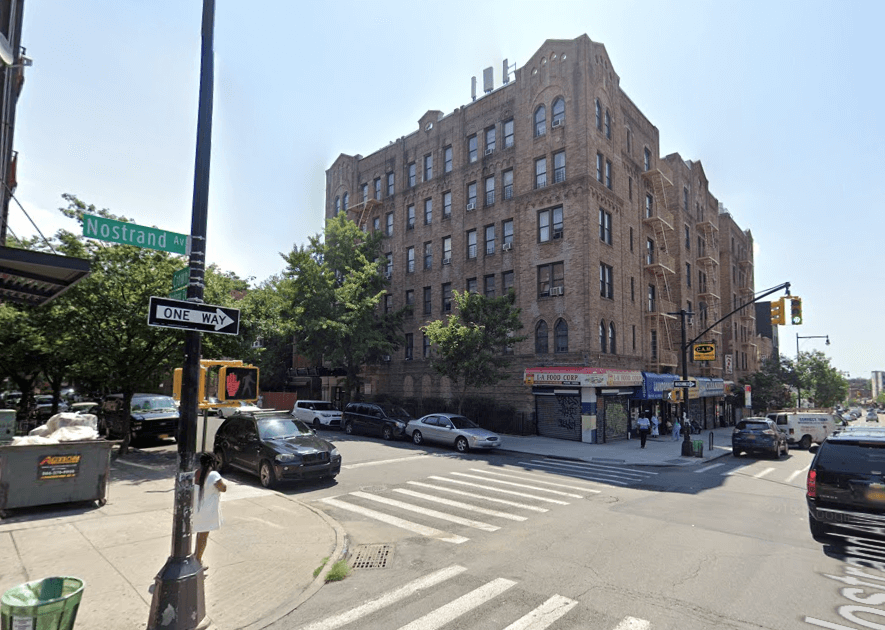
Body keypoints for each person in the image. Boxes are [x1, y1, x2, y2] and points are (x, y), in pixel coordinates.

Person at [194, 452, 227, 569]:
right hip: (208, 511)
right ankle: (197, 560)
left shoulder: (197, 473)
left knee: (200, 535)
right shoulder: (213, 475)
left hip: (198, 509)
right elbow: (223, 488)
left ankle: (196, 557)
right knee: (203, 537)